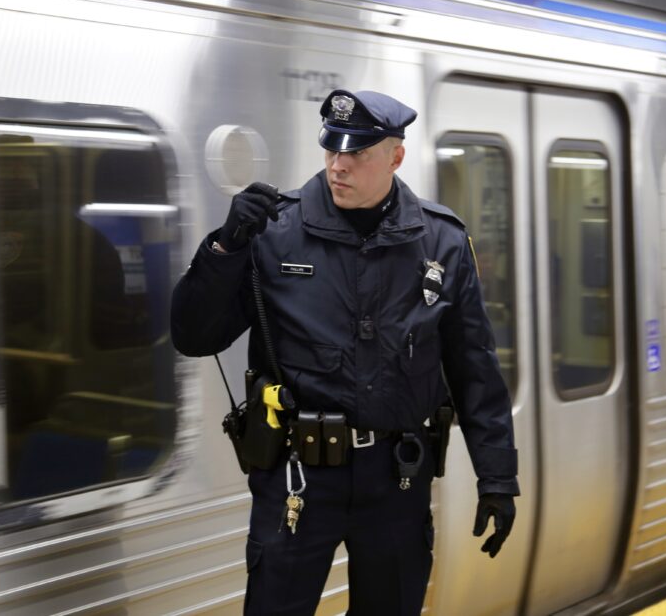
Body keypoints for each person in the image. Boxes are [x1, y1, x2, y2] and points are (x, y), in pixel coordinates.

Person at [171, 89, 519, 615]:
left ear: (395, 156)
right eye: (331, 150)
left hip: (397, 479)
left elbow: (473, 366)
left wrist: (497, 477)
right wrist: (225, 247)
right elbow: (195, 337)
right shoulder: (273, 231)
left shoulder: (440, 242)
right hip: (299, 477)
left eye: (356, 154)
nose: (338, 166)